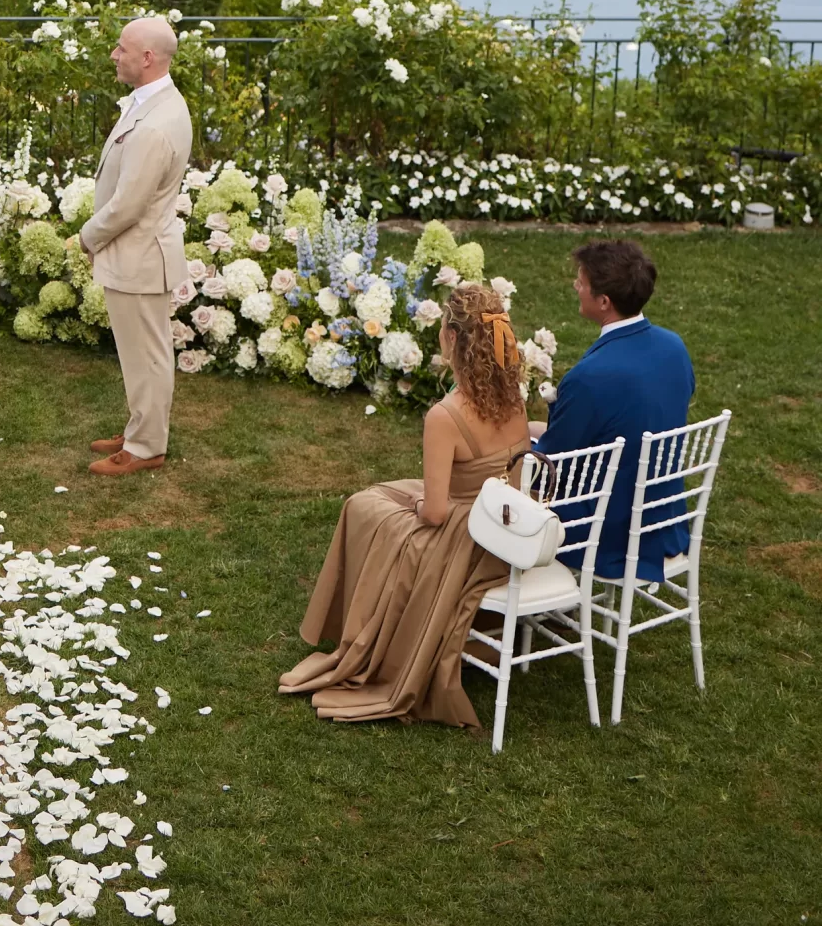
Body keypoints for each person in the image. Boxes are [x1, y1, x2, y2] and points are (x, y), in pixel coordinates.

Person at [278, 282, 531, 727]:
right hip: (507, 529)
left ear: (453, 338)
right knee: (380, 497)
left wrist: (417, 509)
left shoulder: (446, 415)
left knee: (366, 509)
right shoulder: (513, 399)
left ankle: (359, 638)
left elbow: (434, 513)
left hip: (466, 537)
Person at [533, 238, 695, 578]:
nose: (576, 286)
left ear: (604, 301)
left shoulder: (589, 377)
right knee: (530, 431)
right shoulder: (674, 347)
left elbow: (550, 467)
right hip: (664, 515)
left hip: (606, 531)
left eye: (582, 282)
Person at [76, 16, 194, 475]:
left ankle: (146, 447)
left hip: (140, 254)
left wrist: (88, 236)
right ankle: (140, 427)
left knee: (146, 355)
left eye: (121, 48)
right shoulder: (155, 102)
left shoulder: (156, 123)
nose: (114, 54)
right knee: (140, 352)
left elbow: (128, 205)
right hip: (139, 252)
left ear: (147, 58)